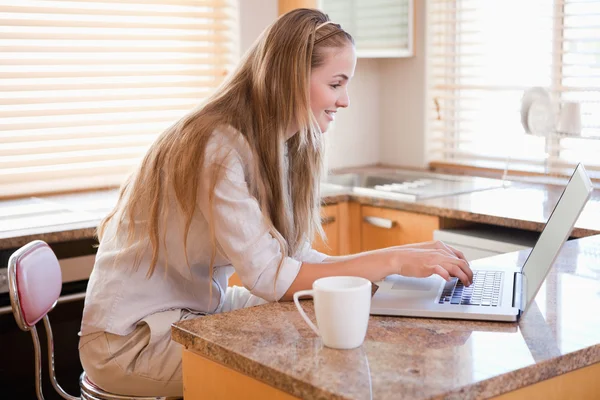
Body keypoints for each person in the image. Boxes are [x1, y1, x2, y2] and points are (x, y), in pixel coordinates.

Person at [78, 8, 472, 397]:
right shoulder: (217, 147)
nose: (345, 100)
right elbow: (271, 278)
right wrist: (393, 262)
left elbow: (295, 263)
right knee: (299, 358)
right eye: (336, 84)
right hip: (131, 341)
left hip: (190, 311)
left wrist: (400, 256)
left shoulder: (273, 144)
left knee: (314, 316)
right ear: (291, 79)